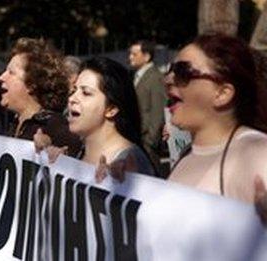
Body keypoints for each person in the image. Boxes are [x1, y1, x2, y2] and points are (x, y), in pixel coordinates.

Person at [164, 34, 267, 214]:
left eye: (182, 72)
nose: (168, 80)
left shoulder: (258, 154)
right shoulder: (187, 154)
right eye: (170, 71)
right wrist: (122, 181)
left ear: (222, 93)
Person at [36, 57, 155, 179]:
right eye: (74, 90)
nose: (72, 99)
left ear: (111, 109)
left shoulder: (130, 163)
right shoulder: (78, 153)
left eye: (86, 93)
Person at [0, 37, 81, 156]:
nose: (1, 77)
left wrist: (51, 150)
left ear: (31, 84)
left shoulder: (57, 128)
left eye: (11, 72)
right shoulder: (13, 125)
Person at [129, 40, 167, 174]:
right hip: (137, 138)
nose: (130, 57)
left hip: (147, 142)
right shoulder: (138, 76)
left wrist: (151, 140)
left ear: (146, 56)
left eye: (134, 54)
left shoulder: (155, 77)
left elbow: (158, 110)